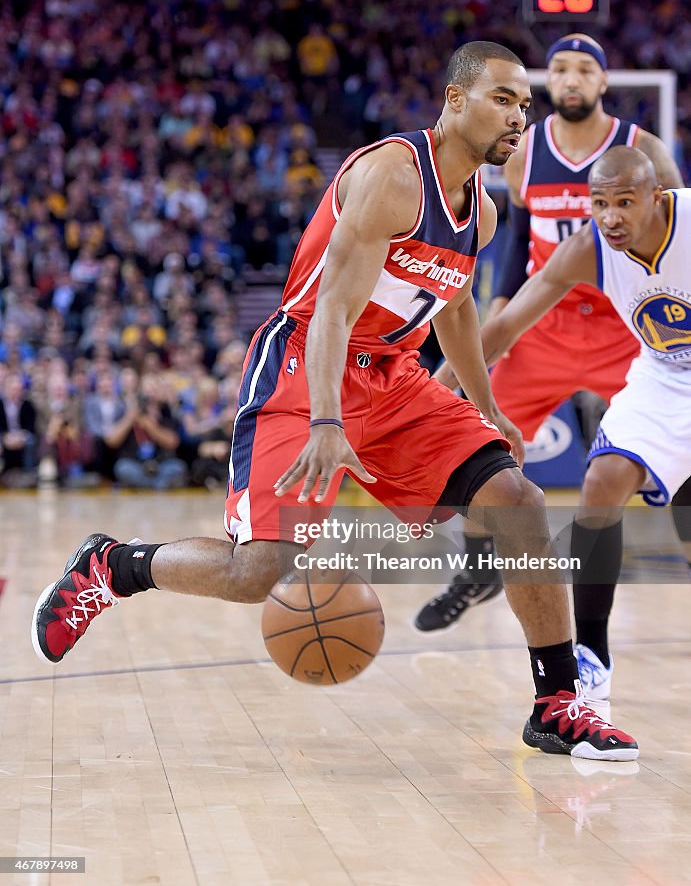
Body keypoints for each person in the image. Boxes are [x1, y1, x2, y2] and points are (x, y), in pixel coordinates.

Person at [32, 41, 638, 760]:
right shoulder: (391, 175)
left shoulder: (480, 211)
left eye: (523, 105)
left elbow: (454, 308)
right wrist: (326, 421)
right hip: (303, 368)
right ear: (453, 100)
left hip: (393, 374)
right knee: (255, 571)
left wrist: (486, 406)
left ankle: (556, 703)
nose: (519, 116)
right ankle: (112, 567)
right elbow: (329, 315)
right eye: (502, 99)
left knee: (519, 501)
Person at [415, 33, 689, 668]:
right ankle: (480, 569)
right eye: (560, 69)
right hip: (547, 320)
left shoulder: (640, 148)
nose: (571, 79)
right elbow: (515, 240)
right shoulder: (524, 150)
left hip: (631, 325)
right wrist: (488, 323)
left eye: (584, 69)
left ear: (602, 81)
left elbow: (671, 229)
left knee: (652, 464)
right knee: (482, 443)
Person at [475, 144, 691, 702]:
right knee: (601, 482)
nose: (611, 216)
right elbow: (501, 331)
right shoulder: (585, 250)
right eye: (600, 203)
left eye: (625, 201)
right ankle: (592, 652)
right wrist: (427, 394)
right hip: (665, 375)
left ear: (656, 198)